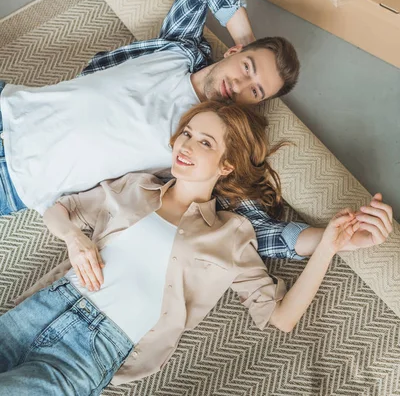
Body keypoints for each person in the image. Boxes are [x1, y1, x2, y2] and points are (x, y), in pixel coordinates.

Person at [0, 0, 391, 259]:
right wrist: (248, 40)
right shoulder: (179, 47)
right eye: (246, 68)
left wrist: (334, 241)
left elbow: (260, 230)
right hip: (9, 103)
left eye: (255, 92)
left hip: (16, 179)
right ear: (234, 51)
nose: (239, 86)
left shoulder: (208, 141)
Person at [0, 101, 392, 394]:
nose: (185, 145)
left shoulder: (233, 235)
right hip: (44, 306)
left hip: (97, 348)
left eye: (204, 142)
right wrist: (75, 238)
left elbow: (280, 318)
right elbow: (59, 210)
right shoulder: (137, 185)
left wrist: (329, 246)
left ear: (226, 166)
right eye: (186, 132)